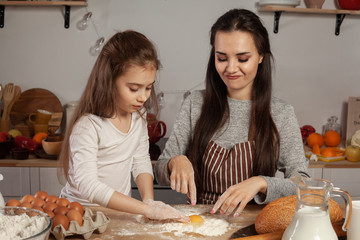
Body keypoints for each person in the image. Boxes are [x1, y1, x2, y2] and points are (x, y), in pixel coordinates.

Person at [154, 9, 309, 217]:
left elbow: (303, 184)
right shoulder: (195, 104)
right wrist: (175, 161)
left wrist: (261, 183)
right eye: (222, 58)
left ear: (261, 56)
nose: (231, 68)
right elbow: (160, 170)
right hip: (201, 223)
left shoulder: (280, 113)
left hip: (255, 225)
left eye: (242, 58)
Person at [59, 30, 188, 222]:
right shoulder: (88, 126)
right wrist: (146, 210)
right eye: (134, 88)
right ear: (109, 81)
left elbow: (140, 160)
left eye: (149, 87)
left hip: (116, 215)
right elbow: (89, 186)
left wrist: (149, 201)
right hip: (80, 216)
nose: (143, 97)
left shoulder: (138, 117)